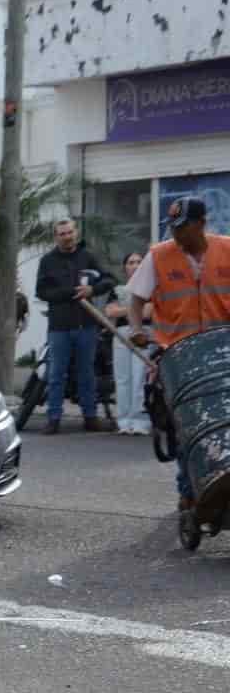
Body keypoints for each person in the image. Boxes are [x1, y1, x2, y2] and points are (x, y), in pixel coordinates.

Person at [127, 196, 230, 512]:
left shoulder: (227, 249)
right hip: (177, 358)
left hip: (223, 353)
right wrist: (136, 329)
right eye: (172, 227)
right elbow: (135, 299)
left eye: (182, 227)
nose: (175, 234)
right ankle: (189, 494)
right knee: (186, 427)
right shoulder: (158, 256)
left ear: (200, 224)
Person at [34, 218, 115, 434]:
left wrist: (92, 291)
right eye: (62, 233)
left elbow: (109, 279)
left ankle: (90, 417)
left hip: (86, 325)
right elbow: (41, 292)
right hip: (59, 327)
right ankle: (54, 419)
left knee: (86, 373)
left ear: (75, 233)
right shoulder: (47, 261)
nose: (67, 236)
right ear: (56, 237)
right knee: (56, 374)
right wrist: (69, 293)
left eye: (70, 232)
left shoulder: (87, 256)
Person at [106, 251, 152, 436]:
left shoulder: (151, 288)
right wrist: (134, 310)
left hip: (144, 333)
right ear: (125, 267)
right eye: (131, 262)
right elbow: (110, 312)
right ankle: (124, 420)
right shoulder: (118, 290)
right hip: (121, 334)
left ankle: (141, 421)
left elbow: (148, 312)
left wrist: (124, 310)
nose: (135, 265)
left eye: (139, 262)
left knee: (140, 377)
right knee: (123, 379)